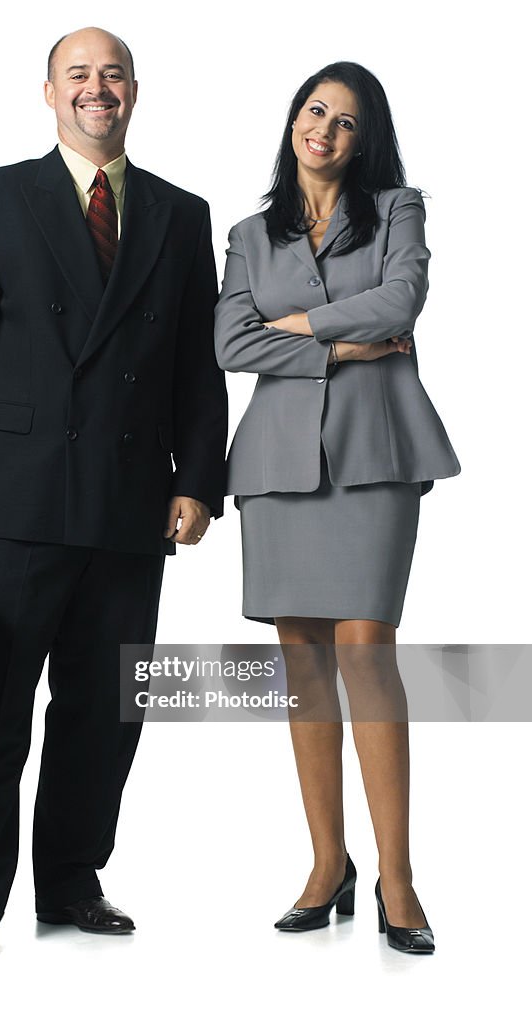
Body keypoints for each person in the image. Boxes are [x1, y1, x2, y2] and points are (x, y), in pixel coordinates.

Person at [0, 25, 228, 959]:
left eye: (114, 75)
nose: (98, 89)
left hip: (133, 505)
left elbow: (196, 368)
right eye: (79, 75)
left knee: (107, 709)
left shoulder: (181, 213)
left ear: (136, 92)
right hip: (15, 499)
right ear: (49, 92)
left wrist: (200, 479)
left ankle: (71, 881)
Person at [214, 61, 460, 954]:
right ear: (294, 121)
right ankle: (329, 865)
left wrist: (294, 330)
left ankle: (398, 878)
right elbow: (227, 340)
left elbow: (402, 298)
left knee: (365, 650)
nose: (325, 129)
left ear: (366, 138)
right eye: (315, 111)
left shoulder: (396, 209)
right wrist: (342, 350)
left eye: (347, 121)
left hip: (376, 450)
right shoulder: (248, 233)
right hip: (279, 462)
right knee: (304, 663)